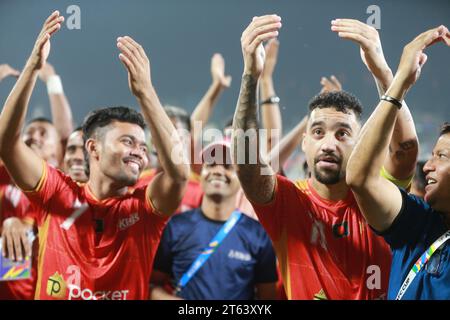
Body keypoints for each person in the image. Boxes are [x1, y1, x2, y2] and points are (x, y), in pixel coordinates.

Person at [0, 11, 189, 300]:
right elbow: (7, 141)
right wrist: (32, 69)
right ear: (93, 148)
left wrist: (145, 92)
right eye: (128, 141)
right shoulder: (56, 194)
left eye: (142, 145)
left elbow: (178, 173)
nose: (138, 151)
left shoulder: (145, 210)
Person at [232, 15, 419, 299]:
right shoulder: (287, 201)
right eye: (318, 132)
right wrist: (250, 76)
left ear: (362, 144)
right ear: (304, 143)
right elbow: (246, 163)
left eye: (342, 134)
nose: (329, 144)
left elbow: (404, 150)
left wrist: (382, 71)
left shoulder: (377, 194)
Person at [346, 25, 450, 299]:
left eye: (442, 156)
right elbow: (359, 177)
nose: (427, 166)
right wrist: (398, 81)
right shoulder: (419, 225)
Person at [150, 140, 278, 300]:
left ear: (242, 179)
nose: (218, 171)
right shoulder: (176, 226)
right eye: (210, 164)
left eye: (227, 166)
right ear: (200, 174)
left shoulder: (258, 235)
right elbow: (153, 286)